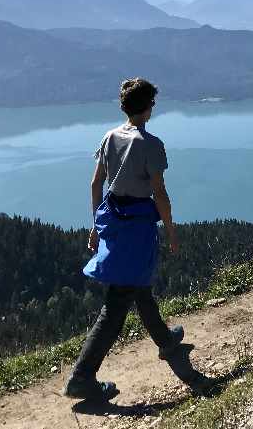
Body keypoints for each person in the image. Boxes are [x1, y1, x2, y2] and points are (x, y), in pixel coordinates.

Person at [64, 78, 184, 400]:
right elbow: (159, 193)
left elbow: (95, 185)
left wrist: (95, 226)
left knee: (137, 285)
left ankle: (165, 340)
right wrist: (171, 230)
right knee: (118, 301)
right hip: (137, 226)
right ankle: (81, 377)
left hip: (114, 221)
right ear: (148, 107)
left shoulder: (109, 137)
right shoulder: (150, 144)